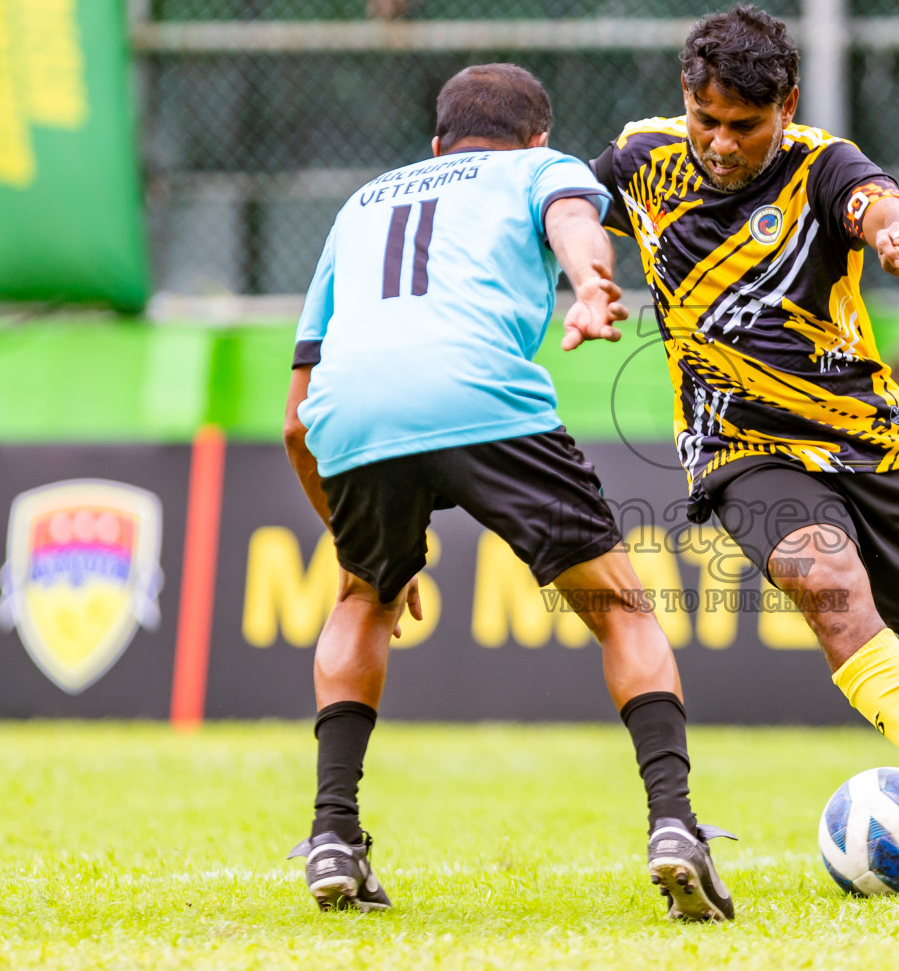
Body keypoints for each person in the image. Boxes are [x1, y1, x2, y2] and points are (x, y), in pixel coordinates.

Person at [590, 6, 899, 890]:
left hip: (872, 438)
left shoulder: (822, 166)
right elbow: (561, 208)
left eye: (743, 126)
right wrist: (582, 278)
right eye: (705, 119)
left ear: (786, 106)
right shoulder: (644, 158)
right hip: (739, 442)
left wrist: (898, 231)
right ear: (686, 99)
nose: (720, 143)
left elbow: (882, 206)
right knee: (823, 577)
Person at [282, 63, 735, 921]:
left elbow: (296, 424)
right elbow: (573, 218)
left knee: (360, 600)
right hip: (478, 394)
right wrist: (594, 281)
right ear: (538, 137)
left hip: (352, 412)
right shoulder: (541, 168)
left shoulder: (364, 203)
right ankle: (674, 826)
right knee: (621, 611)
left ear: (436, 143)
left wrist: (353, 549)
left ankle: (334, 834)